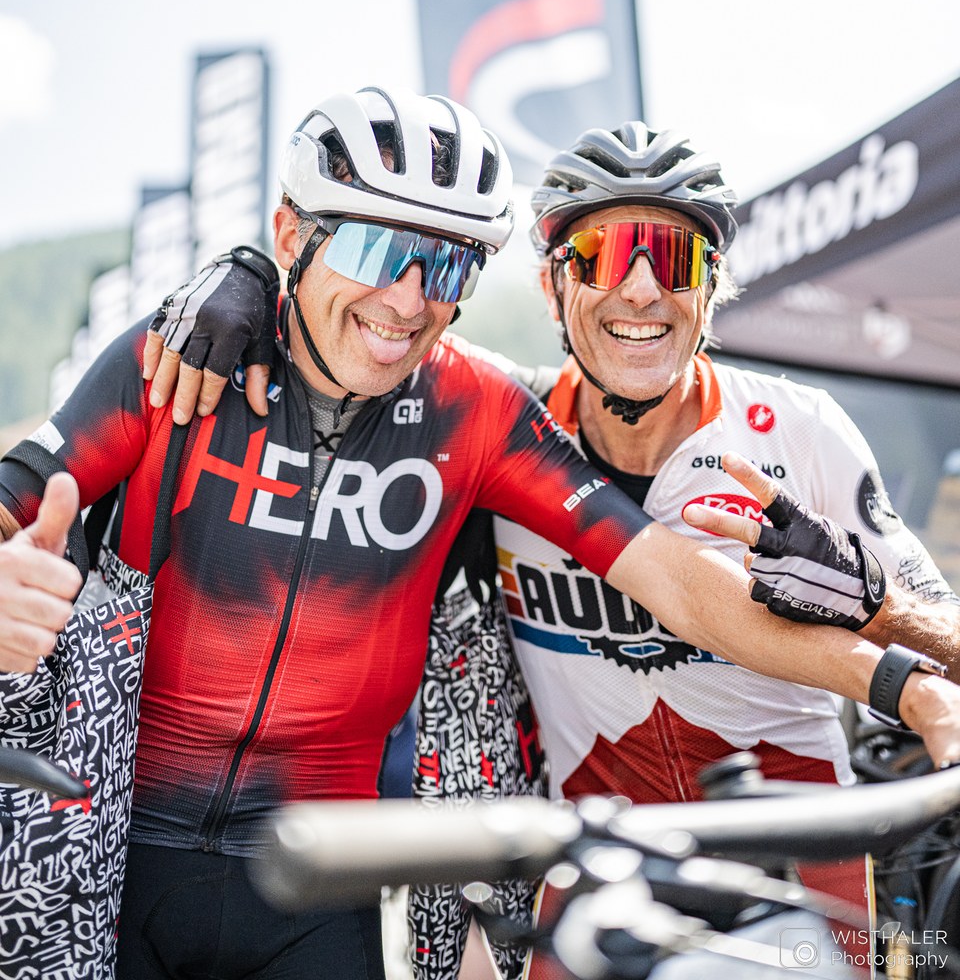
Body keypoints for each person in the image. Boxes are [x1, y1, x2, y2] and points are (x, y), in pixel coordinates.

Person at [11, 89, 954, 980]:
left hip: (324, 876)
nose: (407, 299)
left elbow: (680, 580)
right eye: (377, 249)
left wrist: (901, 679)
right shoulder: (181, 359)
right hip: (110, 848)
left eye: (448, 265)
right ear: (292, 235)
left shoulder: (478, 408)